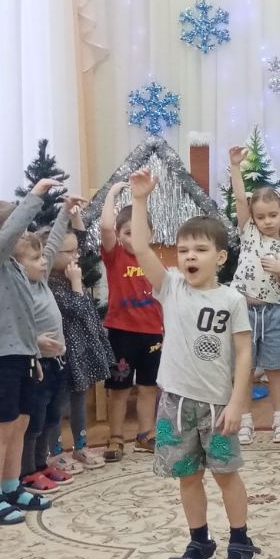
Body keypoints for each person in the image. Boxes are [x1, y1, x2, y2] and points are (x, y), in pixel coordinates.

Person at [126, 169, 258, 559]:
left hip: (217, 406)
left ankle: (241, 542)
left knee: (225, 475)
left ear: (220, 257)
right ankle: (199, 541)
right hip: (175, 404)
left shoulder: (232, 300)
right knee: (187, 476)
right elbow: (141, 246)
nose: (189, 257)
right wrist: (140, 199)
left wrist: (237, 403)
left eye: (200, 249)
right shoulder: (170, 287)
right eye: (183, 250)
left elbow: (243, 353)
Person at [0, 177, 70, 526]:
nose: (24, 234)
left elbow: (21, 318)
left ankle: (11, 487)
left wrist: (33, 352)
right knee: (1, 428)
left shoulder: (18, 270)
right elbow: (12, 232)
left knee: (20, 425)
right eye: (18, 229)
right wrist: (35, 196)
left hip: (23, 358)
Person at [228, 144, 280, 444]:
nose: (268, 221)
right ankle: (245, 421)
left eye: (273, 215)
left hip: (271, 313)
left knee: (274, 369)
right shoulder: (249, 234)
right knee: (244, 370)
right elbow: (239, 199)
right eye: (261, 216)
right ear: (254, 219)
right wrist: (235, 167)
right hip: (243, 312)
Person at [99, 182, 163, 461]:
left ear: (151, 234)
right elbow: (105, 227)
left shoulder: (153, 260)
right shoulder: (115, 256)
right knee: (119, 388)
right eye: (127, 232)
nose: (133, 238)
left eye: (139, 232)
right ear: (118, 235)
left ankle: (145, 434)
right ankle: (115, 437)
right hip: (122, 333)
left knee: (149, 387)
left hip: (153, 334)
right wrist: (112, 194)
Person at [47, 227, 115, 471]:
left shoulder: (70, 273)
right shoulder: (50, 284)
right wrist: (77, 283)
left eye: (76, 250)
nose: (76, 255)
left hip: (81, 351)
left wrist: (75, 215)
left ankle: (81, 446)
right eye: (69, 252)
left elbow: (83, 240)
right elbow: (74, 309)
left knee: (80, 398)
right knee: (58, 403)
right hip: (63, 355)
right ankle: (55, 452)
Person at [20, 218, 73, 493]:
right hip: (38, 364)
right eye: (35, 258)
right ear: (17, 266)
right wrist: (35, 341)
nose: (43, 262)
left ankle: (41, 465)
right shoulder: (19, 290)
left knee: (52, 417)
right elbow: (13, 328)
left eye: (43, 257)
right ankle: (27, 471)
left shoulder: (41, 281)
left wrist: (65, 213)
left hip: (57, 363)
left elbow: (52, 245)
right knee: (35, 422)